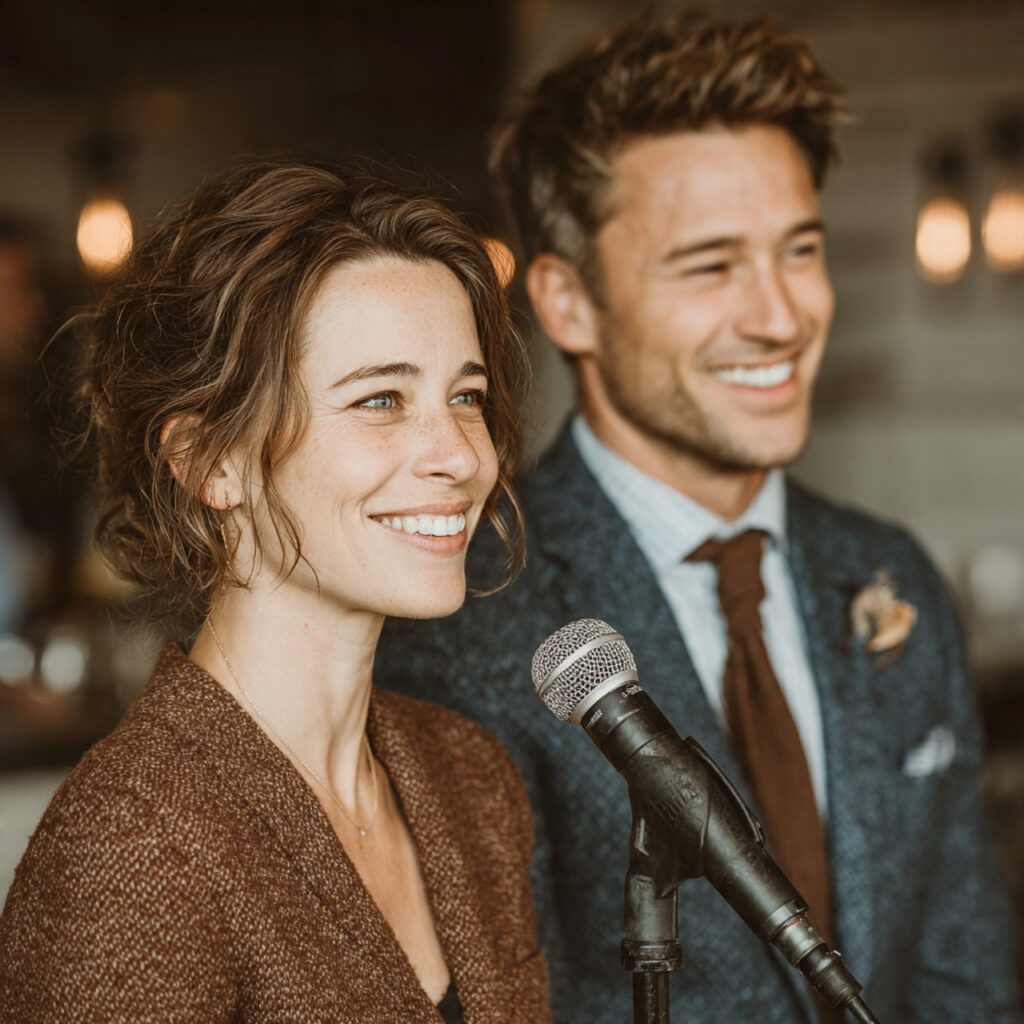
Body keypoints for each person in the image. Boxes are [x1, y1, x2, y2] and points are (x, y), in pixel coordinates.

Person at [376, 11, 1021, 1024]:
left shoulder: (887, 570)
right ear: (567, 302)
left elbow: (965, 982)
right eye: (711, 266)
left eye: (799, 250)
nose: (781, 315)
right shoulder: (461, 617)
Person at [0, 160, 552, 1024]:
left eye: (467, 396)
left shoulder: (469, 774)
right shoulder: (133, 849)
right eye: (381, 399)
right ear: (209, 462)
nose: (460, 454)